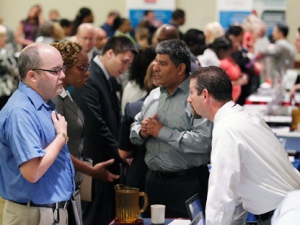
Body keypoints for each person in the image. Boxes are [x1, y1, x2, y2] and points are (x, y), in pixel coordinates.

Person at [187, 66, 300, 225]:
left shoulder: (227, 128)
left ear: (205, 94)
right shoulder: (245, 117)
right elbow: (239, 188)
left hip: (282, 216)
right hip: (289, 208)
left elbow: (221, 193)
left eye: (191, 92)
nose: (188, 99)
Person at [130, 39, 213, 218]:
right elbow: (134, 129)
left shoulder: (197, 96)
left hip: (187, 185)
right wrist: (141, 131)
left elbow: (204, 142)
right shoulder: (153, 95)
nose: (155, 68)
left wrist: (162, 132)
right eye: (156, 62)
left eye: (163, 64)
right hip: (153, 183)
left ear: (180, 68)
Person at [0, 43, 75, 225]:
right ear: (32, 75)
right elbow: (33, 172)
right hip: (32, 216)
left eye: (62, 69)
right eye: (55, 71)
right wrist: (61, 137)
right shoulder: (21, 112)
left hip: (48, 212)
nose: (63, 75)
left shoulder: (42, 103)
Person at [51, 41, 119, 225]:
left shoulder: (65, 93)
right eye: (81, 68)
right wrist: (90, 170)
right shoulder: (53, 99)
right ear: (63, 69)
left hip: (70, 182)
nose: (87, 72)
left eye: (88, 66)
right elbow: (57, 148)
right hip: (58, 184)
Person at [71, 36, 138, 225]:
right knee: (94, 217)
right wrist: (119, 151)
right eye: (124, 62)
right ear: (110, 53)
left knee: (106, 215)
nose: (125, 68)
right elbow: (94, 124)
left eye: (128, 64)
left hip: (106, 160)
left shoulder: (108, 78)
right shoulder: (89, 76)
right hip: (93, 159)